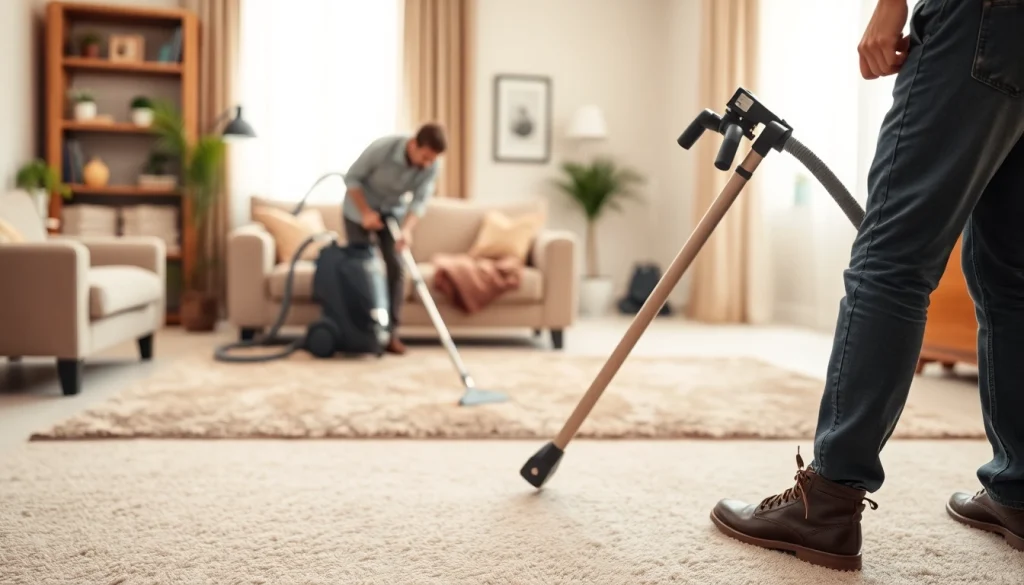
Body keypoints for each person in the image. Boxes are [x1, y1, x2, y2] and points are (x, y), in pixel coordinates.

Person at [710, 0, 1024, 571]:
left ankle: (826, 502)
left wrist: (889, 6)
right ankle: (1021, 490)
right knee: (1013, 278)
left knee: (892, 260)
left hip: (980, 18)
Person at [342, 123, 446, 355]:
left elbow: (419, 201)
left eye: (432, 159)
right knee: (361, 269)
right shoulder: (383, 149)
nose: (428, 164)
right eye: (425, 157)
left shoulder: (431, 164)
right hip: (359, 210)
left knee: (396, 268)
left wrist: (407, 230)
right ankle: (360, 333)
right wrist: (366, 213)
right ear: (413, 145)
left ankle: (390, 334)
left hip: (391, 212)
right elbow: (352, 178)